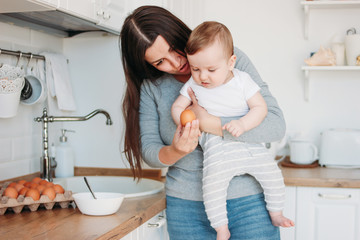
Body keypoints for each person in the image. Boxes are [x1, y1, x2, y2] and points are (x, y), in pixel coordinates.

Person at [120, 5, 286, 240]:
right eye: (160, 62)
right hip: (187, 209)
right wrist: (175, 150)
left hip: (249, 204)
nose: (176, 63)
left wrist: (208, 122)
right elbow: (149, 150)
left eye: (174, 49)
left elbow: (275, 124)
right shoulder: (152, 87)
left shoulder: (227, 58)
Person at [171, 21, 294, 240]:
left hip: (248, 144)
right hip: (217, 149)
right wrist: (185, 124)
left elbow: (260, 107)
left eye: (211, 69)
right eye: (196, 69)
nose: (203, 77)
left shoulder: (242, 80)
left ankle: (276, 213)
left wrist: (243, 124)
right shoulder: (193, 84)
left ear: (231, 62)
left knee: (272, 175)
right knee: (212, 189)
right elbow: (178, 107)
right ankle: (221, 228)